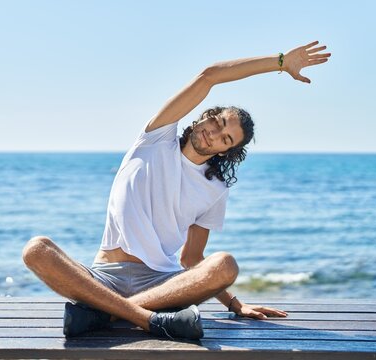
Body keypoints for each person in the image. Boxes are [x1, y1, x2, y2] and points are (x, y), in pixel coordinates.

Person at [22, 40, 331, 340]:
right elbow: (210, 75)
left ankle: (107, 314)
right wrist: (279, 62)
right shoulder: (156, 137)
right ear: (204, 116)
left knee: (225, 265)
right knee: (36, 250)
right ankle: (148, 319)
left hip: (163, 284)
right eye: (219, 123)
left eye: (226, 139)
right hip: (106, 276)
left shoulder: (215, 189)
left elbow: (193, 259)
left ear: (226, 152)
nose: (215, 135)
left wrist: (236, 305)